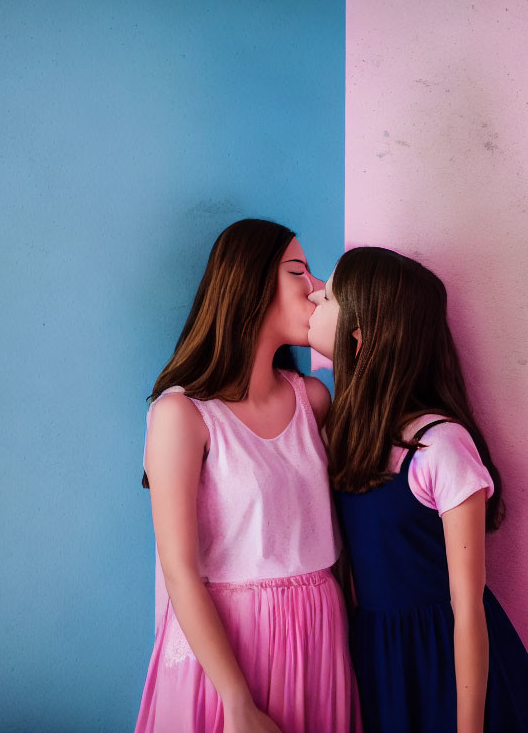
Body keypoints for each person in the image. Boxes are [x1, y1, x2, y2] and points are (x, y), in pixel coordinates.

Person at [307, 246, 528, 733]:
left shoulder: (440, 446)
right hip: (376, 657)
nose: (313, 295)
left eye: (330, 296)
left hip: (449, 665)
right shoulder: (338, 434)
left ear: (357, 337)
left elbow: (468, 607)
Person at [135, 219, 361, 733]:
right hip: (226, 652)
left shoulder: (314, 400)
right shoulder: (183, 415)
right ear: (251, 286)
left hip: (318, 636)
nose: (318, 287)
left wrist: (338, 339)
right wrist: (235, 700)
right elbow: (179, 570)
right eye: (298, 270)